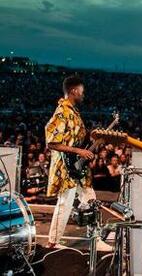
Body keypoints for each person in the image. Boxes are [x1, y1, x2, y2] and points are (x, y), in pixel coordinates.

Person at [45, 75, 109, 250]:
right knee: (65, 202)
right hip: (67, 167)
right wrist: (79, 151)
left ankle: (95, 239)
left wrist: (93, 139)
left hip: (77, 165)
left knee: (90, 199)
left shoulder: (73, 111)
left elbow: (75, 139)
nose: (83, 94)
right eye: (81, 91)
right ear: (73, 91)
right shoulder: (62, 112)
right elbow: (51, 142)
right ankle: (52, 242)